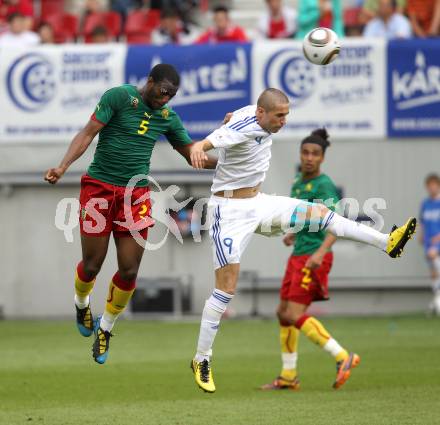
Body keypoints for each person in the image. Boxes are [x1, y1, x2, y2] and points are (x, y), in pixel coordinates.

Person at [188, 88, 416, 393]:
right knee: (226, 289)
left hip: (259, 203)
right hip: (227, 212)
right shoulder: (243, 126)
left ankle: (387, 242)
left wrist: (228, 120)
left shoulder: (250, 112)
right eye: (279, 116)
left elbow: (234, 118)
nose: (284, 121)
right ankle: (202, 358)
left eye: (286, 115)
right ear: (262, 114)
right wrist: (199, 147)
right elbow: (216, 138)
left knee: (321, 213)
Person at [44, 64, 217, 365]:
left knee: (128, 270)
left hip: (135, 196)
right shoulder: (119, 97)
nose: (166, 99)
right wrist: (62, 166)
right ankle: (81, 303)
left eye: (172, 95)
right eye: (163, 92)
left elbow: (193, 154)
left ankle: (106, 328)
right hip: (98, 189)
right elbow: (87, 134)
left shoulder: (167, 118)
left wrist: (229, 162)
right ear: (149, 82)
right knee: (92, 264)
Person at [259, 128, 358, 391]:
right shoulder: (298, 183)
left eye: (315, 154)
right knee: (282, 313)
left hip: (314, 256)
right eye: (305, 152)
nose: (309, 157)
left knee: (293, 313)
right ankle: (289, 375)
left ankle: (342, 356)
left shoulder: (324, 185)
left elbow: (337, 224)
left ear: (322, 158)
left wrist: (321, 252)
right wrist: (293, 233)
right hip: (299, 253)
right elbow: (306, 217)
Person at [419, 174, 440, 316]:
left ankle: (437, 303)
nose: (431, 188)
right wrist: (421, 234)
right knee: (433, 273)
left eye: (434, 185)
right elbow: (422, 220)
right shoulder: (425, 203)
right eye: (429, 185)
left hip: (437, 242)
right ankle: (436, 301)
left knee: (437, 267)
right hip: (428, 242)